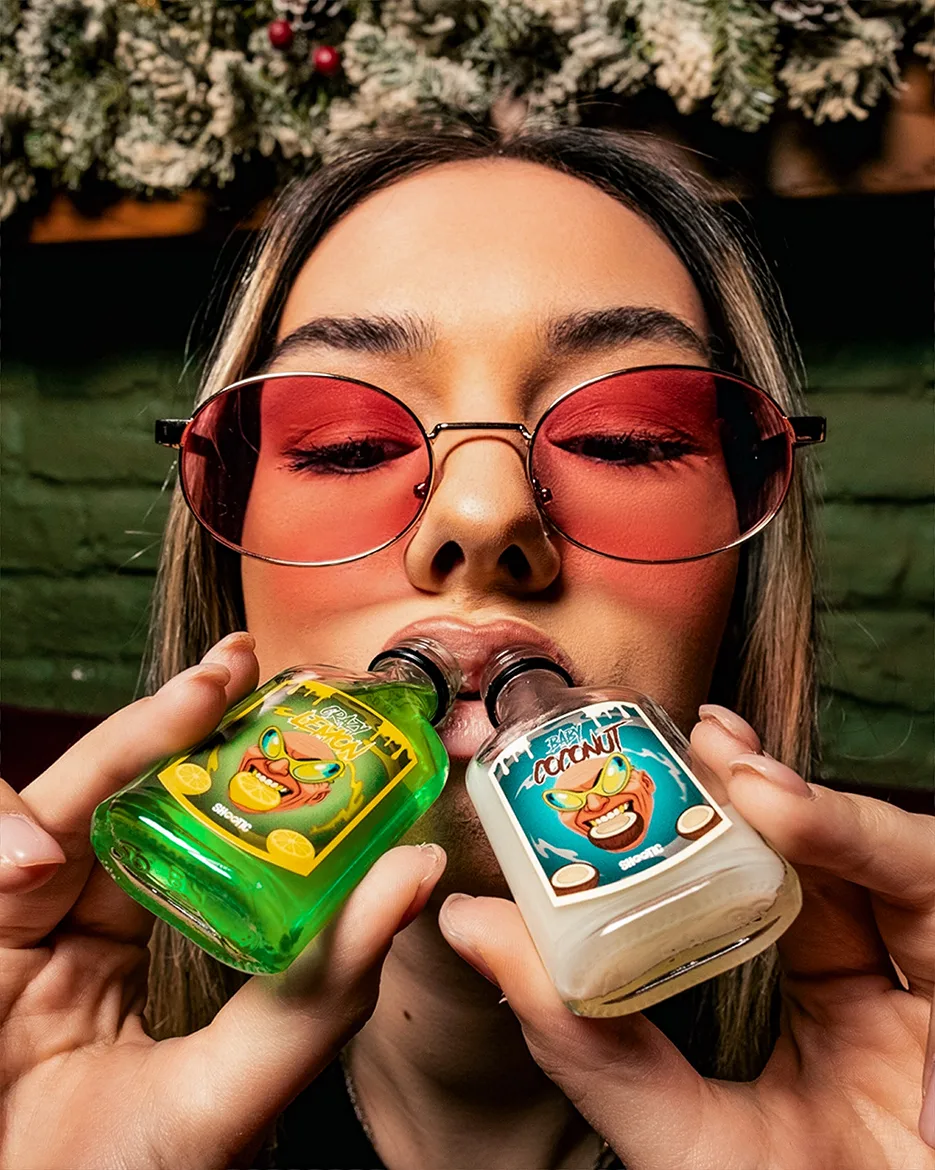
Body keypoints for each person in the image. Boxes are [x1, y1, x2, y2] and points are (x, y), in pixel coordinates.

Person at [1, 126, 931, 1170]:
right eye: (344, 445)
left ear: (741, 572)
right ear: (232, 561)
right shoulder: (41, 1103)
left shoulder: (896, 1113)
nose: (481, 513)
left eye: (622, 438)